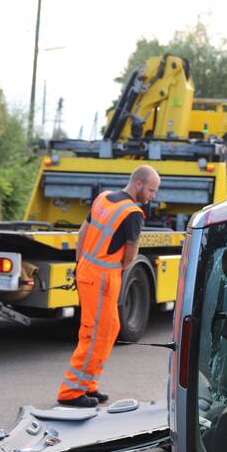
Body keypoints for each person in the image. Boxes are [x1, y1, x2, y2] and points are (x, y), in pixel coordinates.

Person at [56, 165, 160, 407]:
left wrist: (81, 264)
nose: (153, 196)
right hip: (103, 277)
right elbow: (130, 254)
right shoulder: (132, 213)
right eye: (151, 190)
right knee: (94, 334)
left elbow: (82, 233)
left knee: (110, 328)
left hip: (89, 270)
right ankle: (71, 392)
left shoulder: (103, 198)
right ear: (138, 184)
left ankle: (88, 384)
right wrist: (116, 269)